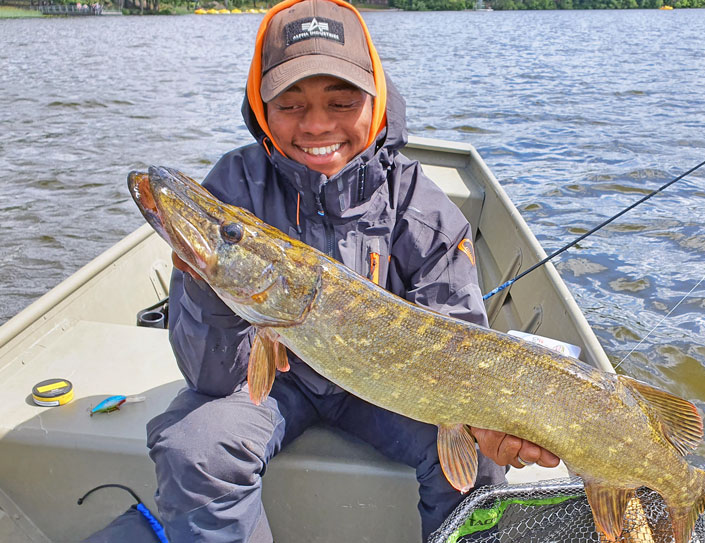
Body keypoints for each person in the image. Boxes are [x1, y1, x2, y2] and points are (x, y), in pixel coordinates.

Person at [145, 0, 559, 541]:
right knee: (193, 450)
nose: (317, 125)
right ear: (260, 105)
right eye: (290, 105)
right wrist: (206, 289)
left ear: (376, 100)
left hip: (388, 390)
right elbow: (210, 378)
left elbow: (461, 357)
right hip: (275, 384)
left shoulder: (425, 212)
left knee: (477, 468)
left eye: (341, 101)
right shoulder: (233, 189)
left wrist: (490, 422)